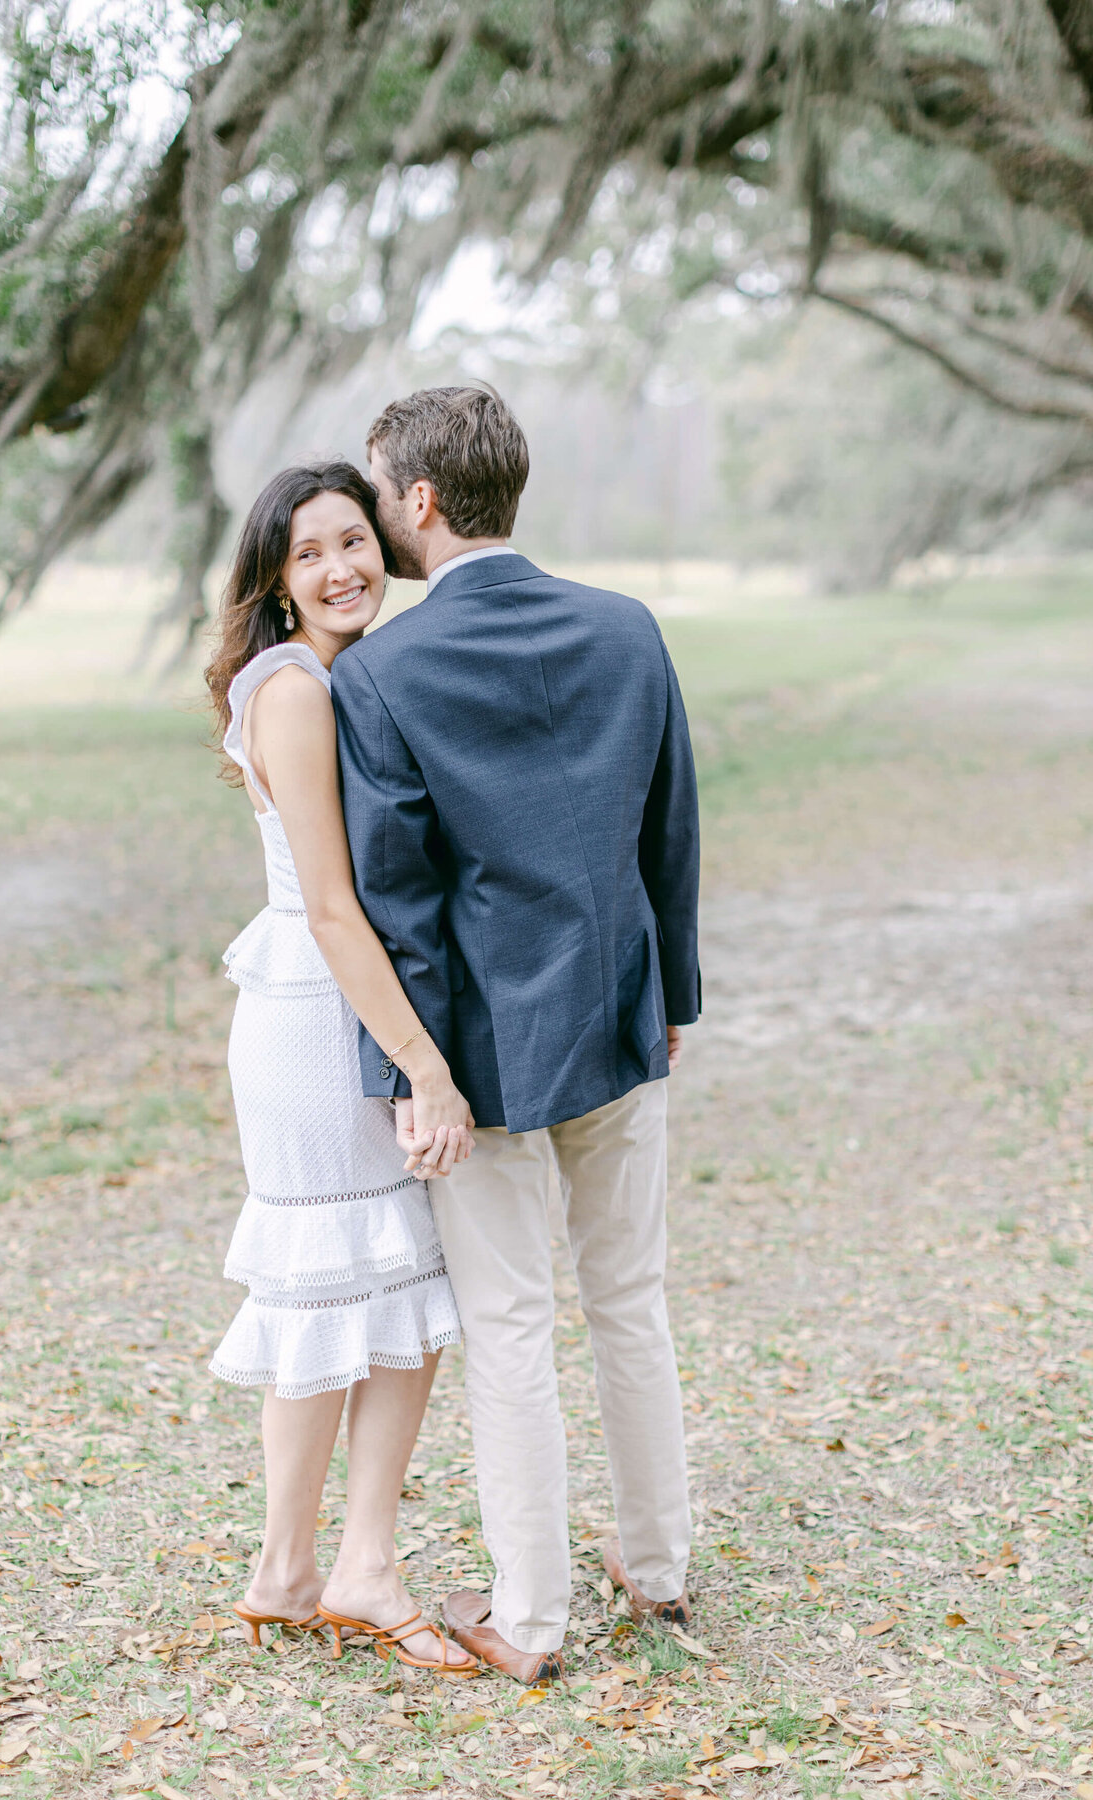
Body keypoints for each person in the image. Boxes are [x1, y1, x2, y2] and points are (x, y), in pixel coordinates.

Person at [331, 386, 702, 1684]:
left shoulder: (380, 672)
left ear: (420, 502)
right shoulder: (627, 629)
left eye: (382, 494)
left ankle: (532, 1621)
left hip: (479, 1054)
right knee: (631, 1304)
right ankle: (658, 1570)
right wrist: (675, 1000)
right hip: (620, 1023)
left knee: (509, 1327)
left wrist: (406, 1073)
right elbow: (671, 837)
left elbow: (401, 899)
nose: (378, 518)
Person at [203, 462, 477, 1676]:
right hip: (323, 1022)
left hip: (318, 1009)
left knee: (353, 1300)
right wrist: (427, 1070)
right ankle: (351, 1566)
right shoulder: (298, 690)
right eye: (309, 553)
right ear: (274, 576)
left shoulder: (314, 676)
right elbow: (328, 904)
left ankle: (295, 1569)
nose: (341, 570)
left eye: (355, 541)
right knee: (380, 1298)